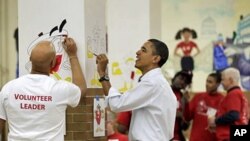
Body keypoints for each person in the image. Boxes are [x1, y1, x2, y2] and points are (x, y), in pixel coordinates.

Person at [0, 37, 87, 140]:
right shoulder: (59, 89)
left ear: (30, 59)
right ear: (53, 63)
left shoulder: (9, 88)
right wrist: (73, 55)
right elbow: (81, 89)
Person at [96, 39, 177, 141]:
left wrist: (103, 74)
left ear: (155, 58)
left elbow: (116, 103)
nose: (137, 52)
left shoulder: (152, 84)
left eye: (144, 50)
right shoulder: (158, 83)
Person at [208, 67, 249, 141]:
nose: (221, 83)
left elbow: (233, 115)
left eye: (223, 79)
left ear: (230, 80)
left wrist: (215, 121)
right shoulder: (242, 95)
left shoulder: (233, 94)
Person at [185, 73, 224, 141]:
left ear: (217, 84)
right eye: (207, 81)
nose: (207, 84)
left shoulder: (223, 100)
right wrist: (185, 103)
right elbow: (187, 117)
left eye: (210, 82)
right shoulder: (198, 97)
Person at [171, 70, 193, 141]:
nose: (182, 82)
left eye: (186, 82)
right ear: (174, 78)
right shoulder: (163, 91)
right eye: (181, 78)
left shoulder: (183, 99)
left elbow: (185, 127)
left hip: (176, 137)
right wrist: (172, 113)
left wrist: (186, 103)